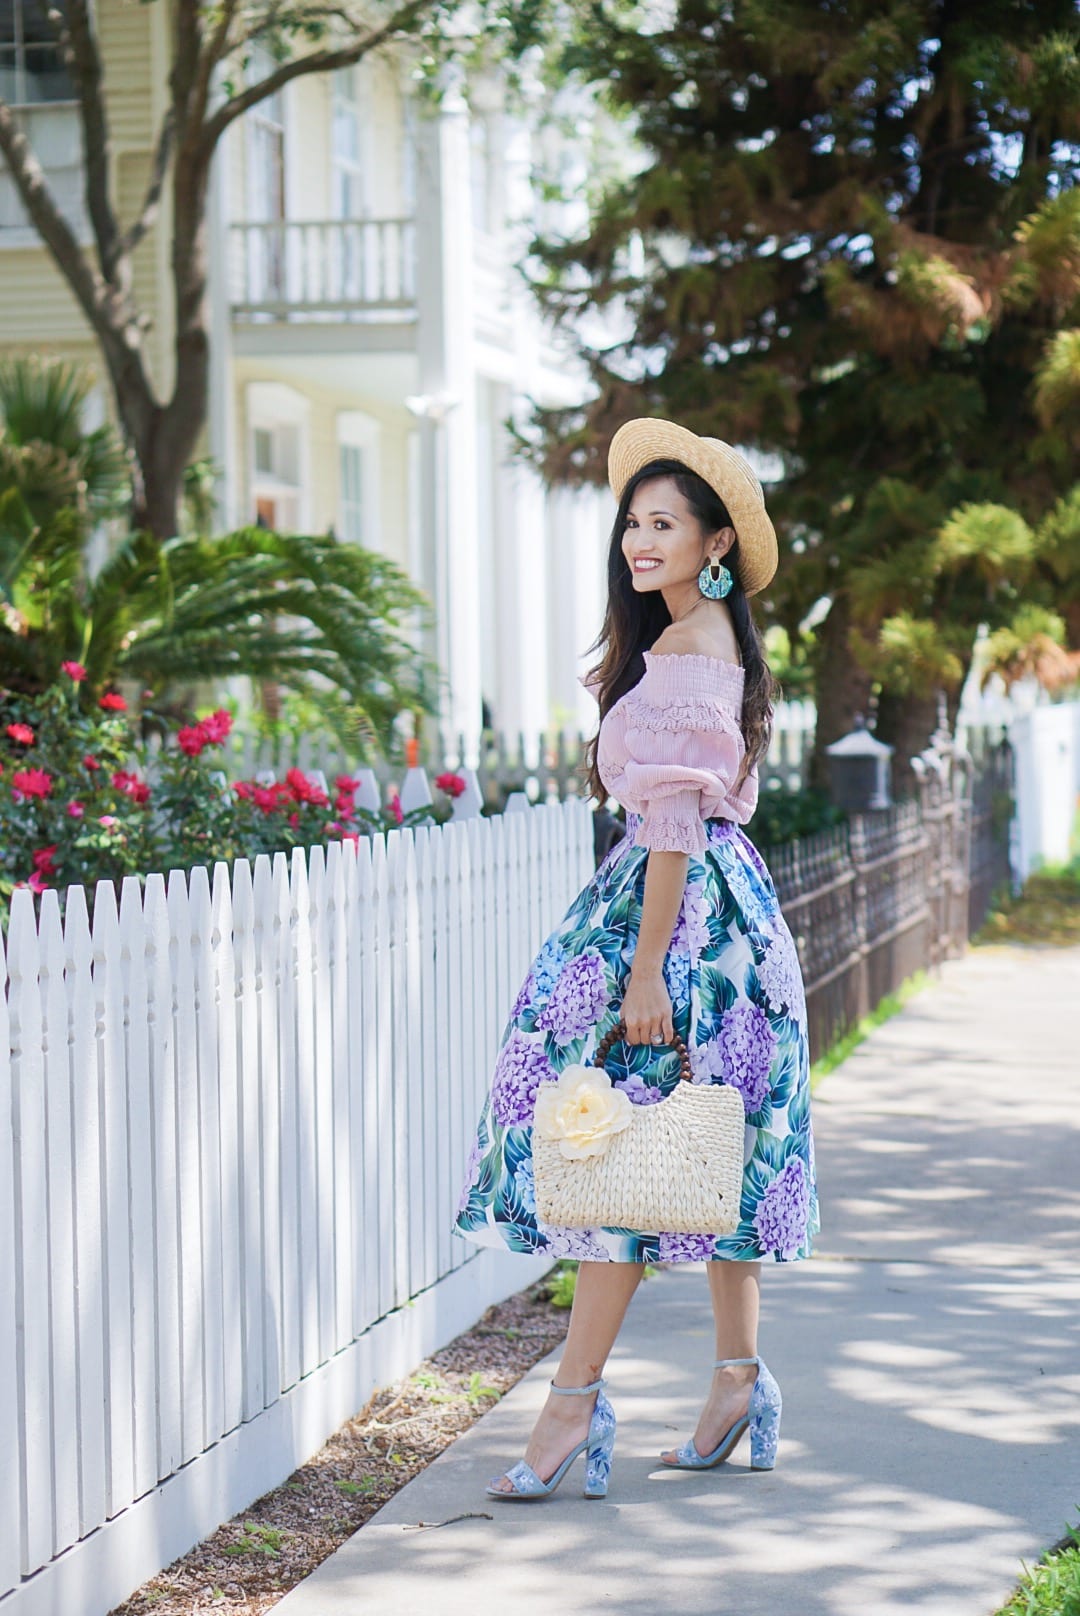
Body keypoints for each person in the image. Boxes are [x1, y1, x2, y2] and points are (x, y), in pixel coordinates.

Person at [453, 418, 819, 1501]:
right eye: (632, 522)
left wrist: (648, 968)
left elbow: (668, 825)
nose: (637, 540)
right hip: (718, 912)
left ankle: (574, 1401)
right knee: (711, 1150)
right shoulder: (698, 647)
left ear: (716, 546)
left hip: (680, 922)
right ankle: (736, 1380)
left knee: (615, 1143)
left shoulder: (692, 655)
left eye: (663, 523)